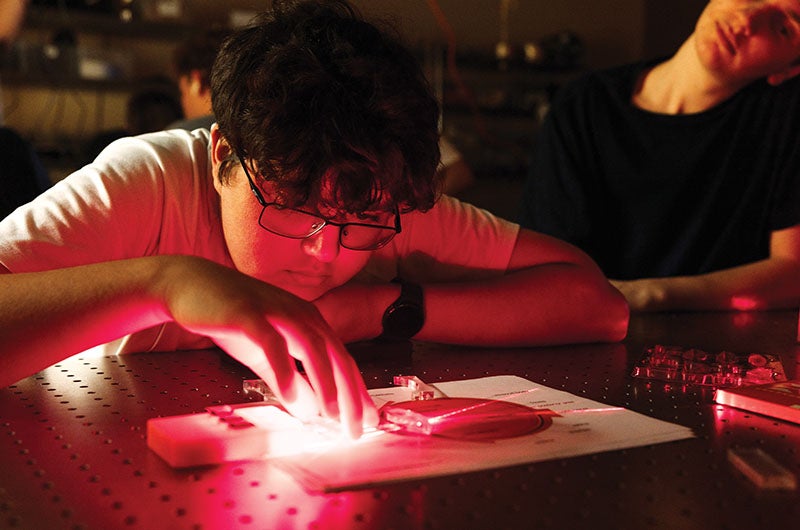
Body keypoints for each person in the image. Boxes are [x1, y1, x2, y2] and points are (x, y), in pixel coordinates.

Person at [0, 0, 627, 439]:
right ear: (223, 154)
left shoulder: (379, 196)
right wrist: (164, 284)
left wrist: (381, 307)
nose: (325, 252)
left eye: (356, 225)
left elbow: (599, 307)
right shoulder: (148, 182)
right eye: (292, 210)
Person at [519, 0, 800, 313]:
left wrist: (654, 294)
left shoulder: (788, 119)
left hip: (724, 350)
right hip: (593, 335)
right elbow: (552, 271)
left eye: (783, 27)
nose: (748, 21)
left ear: (790, 69)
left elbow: (793, 271)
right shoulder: (583, 105)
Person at [166, 29, 229, 131]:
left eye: (183, 93)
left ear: (197, 82)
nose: (183, 103)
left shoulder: (181, 135)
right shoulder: (256, 130)